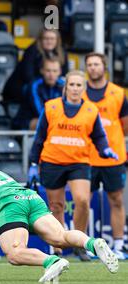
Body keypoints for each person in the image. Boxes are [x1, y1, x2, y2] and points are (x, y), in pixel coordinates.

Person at [28, 70, 119, 261]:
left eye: (79, 85)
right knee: (56, 206)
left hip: (79, 162)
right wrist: (33, 163)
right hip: (52, 161)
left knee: (83, 200)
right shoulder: (51, 107)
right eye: (72, 85)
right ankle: (58, 246)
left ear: (84, 88)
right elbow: (39, 137)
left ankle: (80, 244)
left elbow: (99, 136)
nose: (75, 89)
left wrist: (105, 150)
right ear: (65, 87)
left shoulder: (91, 110)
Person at [84, 52, 128, 260]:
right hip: (86, 157)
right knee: (84, 201)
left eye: (97, 64)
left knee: (117, 200)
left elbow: (125, 126)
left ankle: (119, 246)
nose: (93, 68)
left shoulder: (118, 93)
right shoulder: (79, 93)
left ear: (104, 67)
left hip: (113, 158)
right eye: (90, 64)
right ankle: (84, 245)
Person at [3, 29, 69, 104]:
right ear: (40, 40)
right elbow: (28, 76)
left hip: (47, 84)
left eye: (52, 39)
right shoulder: (32, 51)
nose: (49, 41)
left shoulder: (62, 52)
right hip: (22, 86)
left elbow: (64, 73)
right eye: (46, 38)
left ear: (57, 40)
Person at [13, 58, 64, 130]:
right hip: (27, 122)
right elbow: (40, 111)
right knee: (40, 122)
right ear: (42, 70)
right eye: (48, 70)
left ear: (60, 72)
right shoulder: (34, 85)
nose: (51, 74)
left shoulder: (64, 85)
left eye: (55, 71)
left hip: (54, 120)